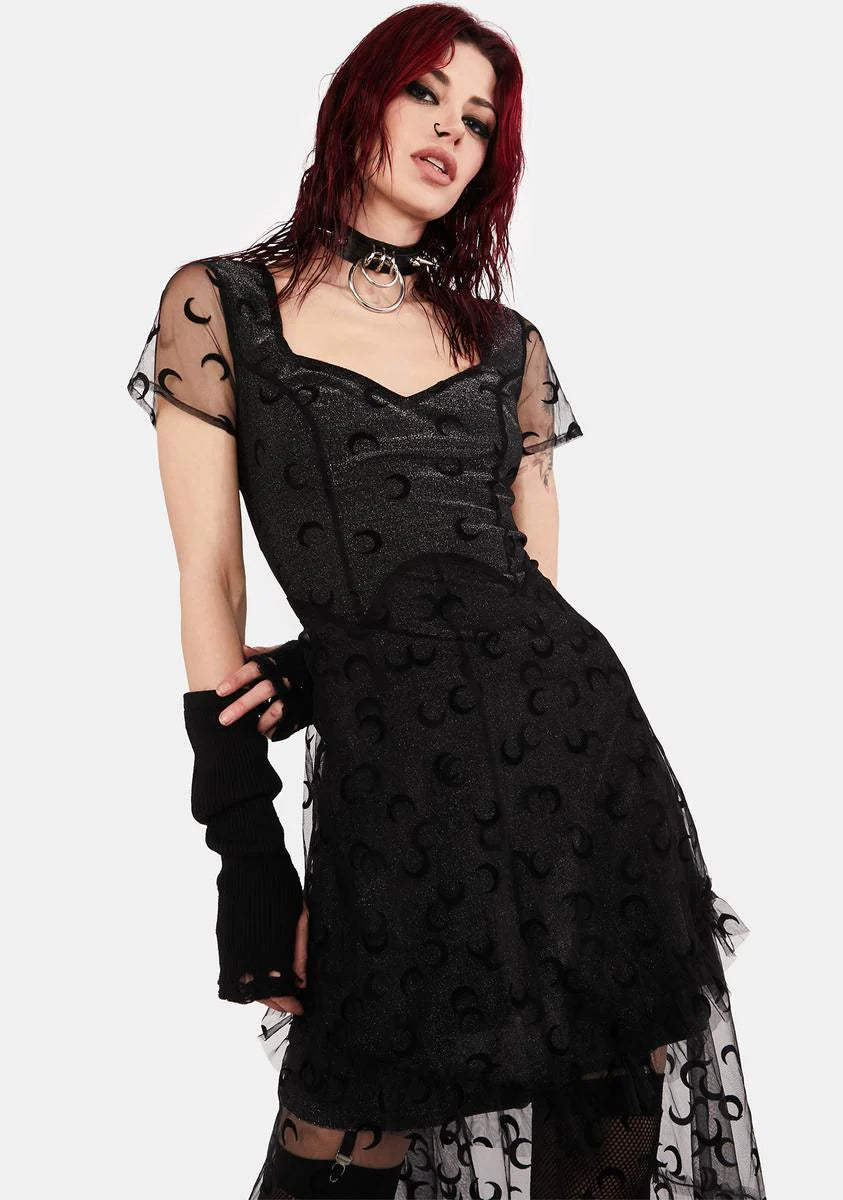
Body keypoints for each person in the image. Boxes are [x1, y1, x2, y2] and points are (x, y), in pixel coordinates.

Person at [126, 6, 766, 1198]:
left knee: (606, 1122)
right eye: (426, 93)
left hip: (578, 764)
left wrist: (326, 664)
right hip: (397, 790)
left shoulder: (510, 346)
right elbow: (208, 578)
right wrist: (248, 858)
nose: (449, 132)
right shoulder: (221, 304)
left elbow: (523, 588)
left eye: (478, 122)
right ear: (360, 99)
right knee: (345, 1131)